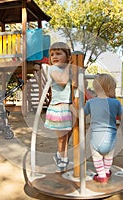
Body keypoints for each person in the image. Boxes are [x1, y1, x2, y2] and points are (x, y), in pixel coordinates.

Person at [84, 74, 123, 183]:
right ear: (110, 88)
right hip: (111, 138)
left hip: (96, 138)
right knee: (108, 156)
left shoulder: (90, 102)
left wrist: (74, 109)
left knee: (96, 157)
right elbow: (122, 117)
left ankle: (101, 175)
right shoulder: (116, 103)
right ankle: (106, 171)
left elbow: (81, 115)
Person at [44, 42, 73, 173]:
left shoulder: (68, 70)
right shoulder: (53, 69)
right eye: (52, 54)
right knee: (62, 137)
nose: (54, 56)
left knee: (68, 135)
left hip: (69, 108)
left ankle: (60, 155)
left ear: (67, 56)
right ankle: (62, 159)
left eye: (58, 53)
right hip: (59, 108)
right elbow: (62, 82)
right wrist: (69, 67)